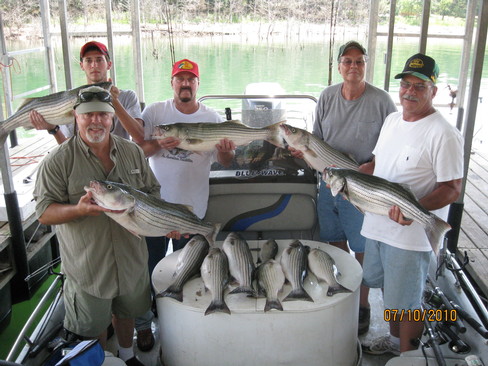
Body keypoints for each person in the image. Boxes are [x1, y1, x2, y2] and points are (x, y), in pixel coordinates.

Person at [30, 41, 154, 351]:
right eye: (87, 115)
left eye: (102, 114)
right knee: (94, 326)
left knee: (126, 317)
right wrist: (78, 210)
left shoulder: (133, 153)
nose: (95, 121)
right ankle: (103, 359)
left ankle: (126, 356)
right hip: (88, 269)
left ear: (112, 117)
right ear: (75, 118)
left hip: (130, 262)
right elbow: (44, 212)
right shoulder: (57, 160)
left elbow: (153, 192)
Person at [289, 41, 396, 334]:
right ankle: (340, 294)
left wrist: (370, 167)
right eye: (347, 61)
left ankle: (362, 305)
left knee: (361, 248)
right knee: (334, 242)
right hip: (329, 183)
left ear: (366, 65)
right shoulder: (326, 96)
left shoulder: (382, 100)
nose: (353, 67)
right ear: (339, 66)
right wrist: (304, 152)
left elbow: (392, 143)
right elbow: (317, 141)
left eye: (359, 61)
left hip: (362, 184)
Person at [360, 53, 463, 354]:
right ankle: (394, 343)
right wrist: (347, 177)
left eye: (420, 86)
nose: (410, 92)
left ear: (434, 90)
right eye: (406, 84)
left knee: (407, 303)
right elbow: (376, 165)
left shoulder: (444, 134)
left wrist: (413, 210)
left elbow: (451, 188)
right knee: (387, 291)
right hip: (377, 226)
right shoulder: (392, 120)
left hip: (410, 236)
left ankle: (408, 356)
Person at [140, 58, 234, 273]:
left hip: (191, 209)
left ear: (198, 84)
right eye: (180, 79)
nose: (185, 84)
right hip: (155, 208)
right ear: (171, 82)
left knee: (186, 268)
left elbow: (226, 161)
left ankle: (179, 302)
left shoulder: (212, 117)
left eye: (191, 80)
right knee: (151, 266)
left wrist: (225, 150)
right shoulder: (155, 113)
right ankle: (155, 305)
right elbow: (138, 152)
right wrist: (158, 143)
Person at [30, 41, 144, 144]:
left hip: (119, 162)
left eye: (99, 60)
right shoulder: (70, 98)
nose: (94, 65)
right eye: (88, 61)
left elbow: (139, 137)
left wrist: (114, 101)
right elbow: (67, 148)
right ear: (82, 66)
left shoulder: (127, 96)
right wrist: (53, 129)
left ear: (109, 64)